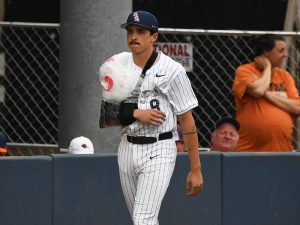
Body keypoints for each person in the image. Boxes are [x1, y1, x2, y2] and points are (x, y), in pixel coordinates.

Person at [111, 10, 204, 225]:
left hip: (159, 146)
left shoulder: (173, 70)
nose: (133, 36)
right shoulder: (117, 66)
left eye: (141, 32)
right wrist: (135, 113)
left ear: (154, 37)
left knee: (143, 219)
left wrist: (195, 168)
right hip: (126, 146)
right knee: (140, 219)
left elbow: (187, 120)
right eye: (130, 31)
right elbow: (105, 116)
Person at [232, 34, 300, 152]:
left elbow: (297, 107)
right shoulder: (245, 71)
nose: (285, 55)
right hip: (249, 151)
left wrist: (267, 94)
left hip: (282, 150)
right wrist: (267, 67)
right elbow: (258, 91)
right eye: (280, 51)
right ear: (266, 52)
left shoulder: (285, 76)